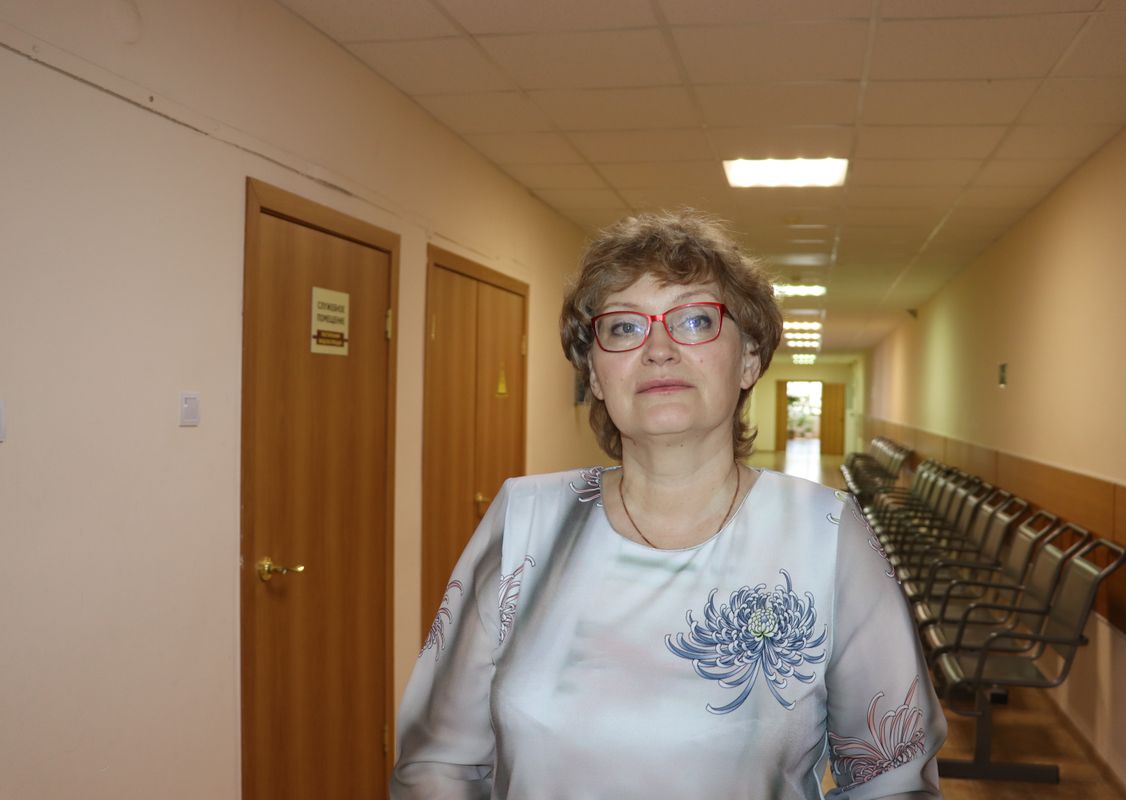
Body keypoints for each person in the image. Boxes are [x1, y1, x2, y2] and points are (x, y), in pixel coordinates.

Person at [391, 210, 945, 799]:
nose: (658, 348)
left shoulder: (826, 534)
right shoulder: (526, 522)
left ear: (749, 358)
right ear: (595, 375)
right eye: (624, 327)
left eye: (695, 320)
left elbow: (894, 782)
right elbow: (437, 761)